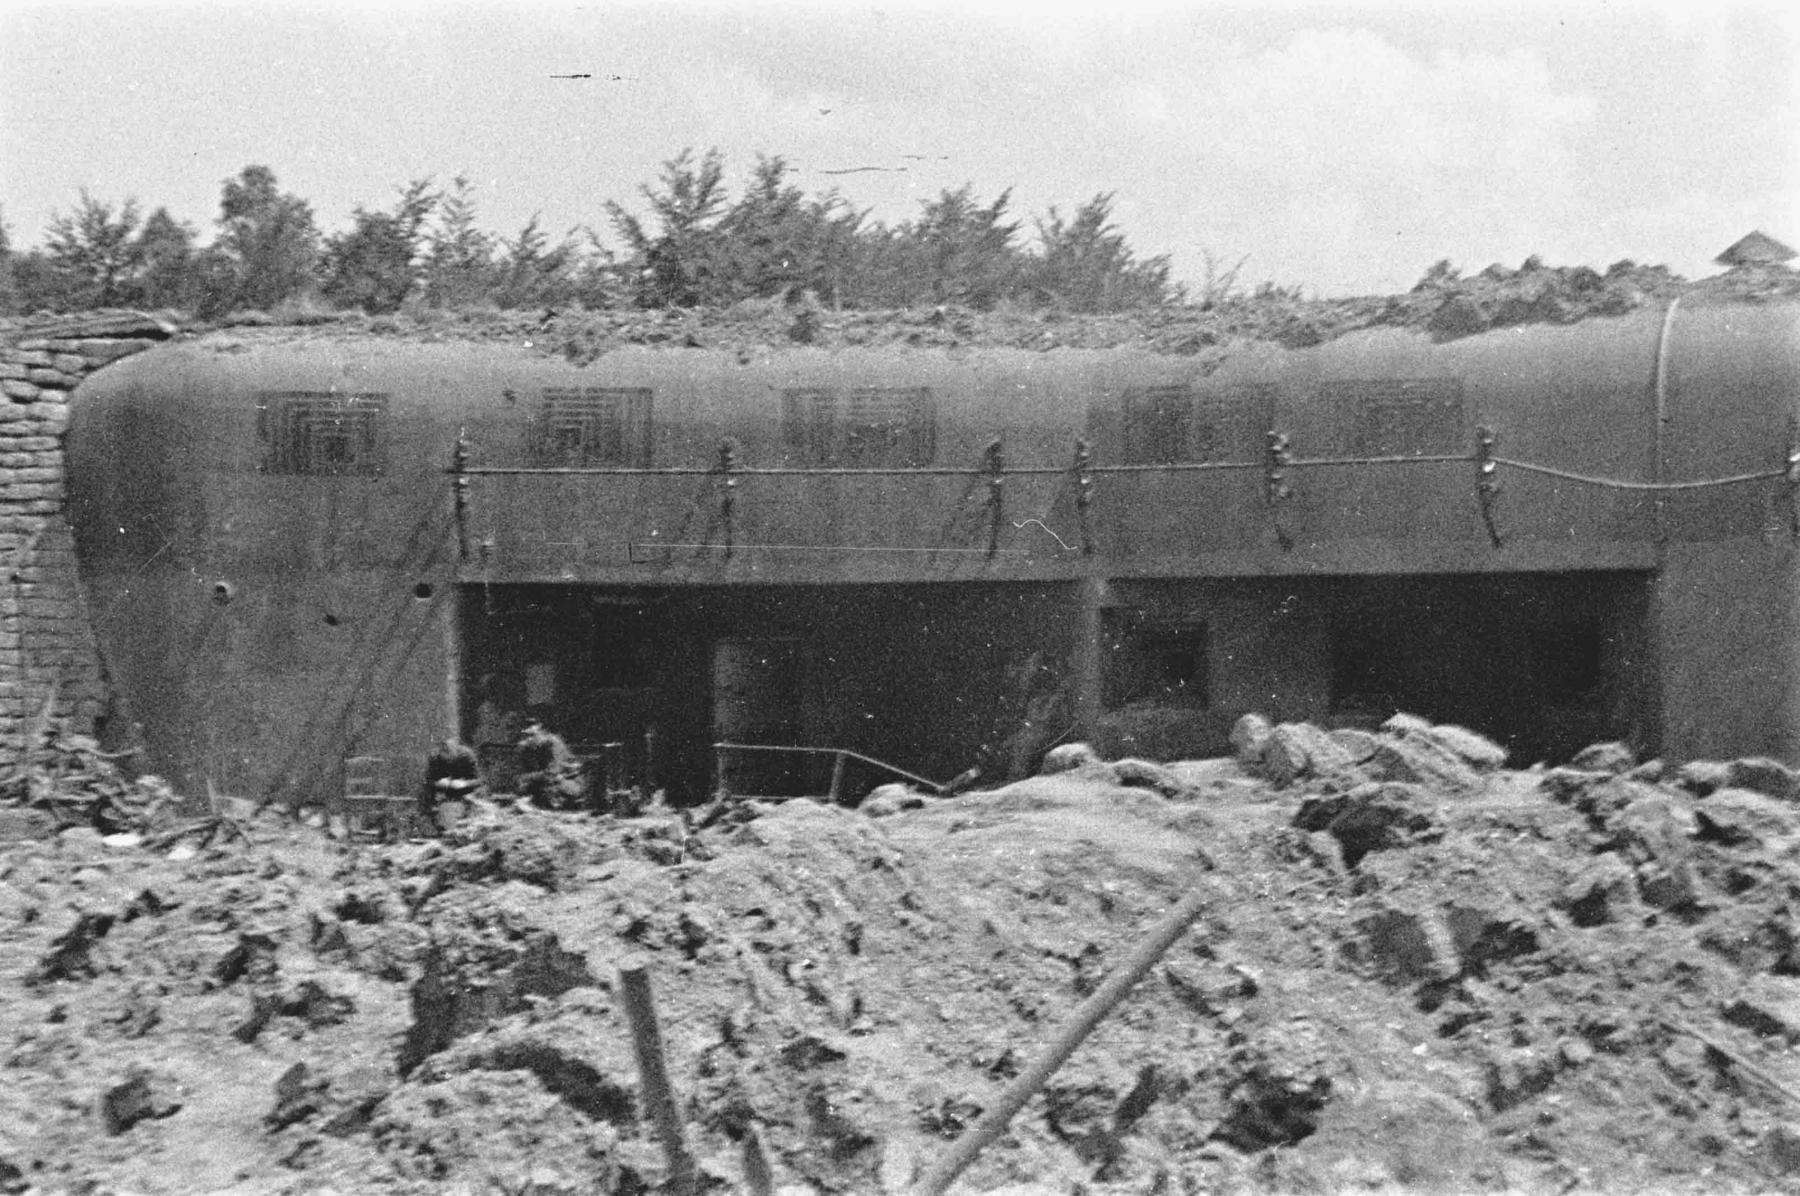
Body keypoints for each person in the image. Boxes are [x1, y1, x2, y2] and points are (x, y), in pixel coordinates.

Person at [515, 721, 587, 810]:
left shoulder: (553, 743)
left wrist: (527, 778)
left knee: (549, 785)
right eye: (525, 736)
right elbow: (527, 772)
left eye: (532, 735)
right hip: (547, 783)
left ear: (541, 732)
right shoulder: (528, 749)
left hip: (569, 784)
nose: (528, 740)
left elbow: (553, 773)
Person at [422, 737, 483, 830]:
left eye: (449, 752)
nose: (446, 757)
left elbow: (479, 781)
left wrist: (464, 784)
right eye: (444, 753)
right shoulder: (435, 758)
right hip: (445, 798)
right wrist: (438, 783)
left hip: (467, 795)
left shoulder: (467, 756)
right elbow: (428, 781)